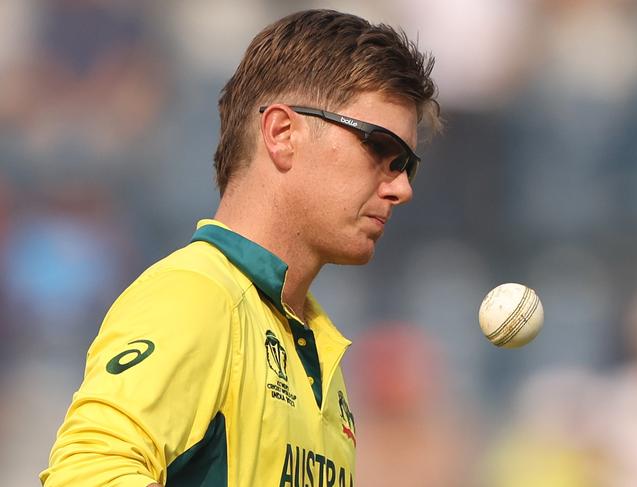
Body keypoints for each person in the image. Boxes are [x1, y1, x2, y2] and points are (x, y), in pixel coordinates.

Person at [40, 8, 441, 487]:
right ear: (281, 133)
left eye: (405, 164)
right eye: (378, 147)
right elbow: (86, 473)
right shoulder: (198, 296)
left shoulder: (316, 352)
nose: (401, 188)